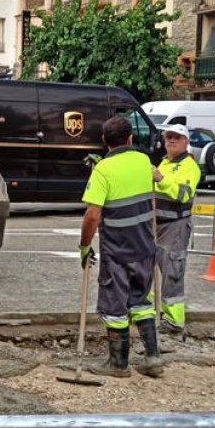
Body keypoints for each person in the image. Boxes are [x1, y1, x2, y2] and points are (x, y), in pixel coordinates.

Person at [78, 116, 164, 378]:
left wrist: (84, 246)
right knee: (141, 301)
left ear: (104, 141)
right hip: (144, 245)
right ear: (130, 139)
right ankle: (153, 358)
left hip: (117, 249)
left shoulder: (103, 170)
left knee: (115, 306)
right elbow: (158, 176)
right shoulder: (142, 161)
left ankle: (118, 363)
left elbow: (93, 214)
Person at [151, 123, 201, 334]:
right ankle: (150, 315)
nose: (171, 140)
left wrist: (161, 179)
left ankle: (174, 321)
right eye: (168, 137)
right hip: (157, 225)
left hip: (175, 225)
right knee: (149, 270)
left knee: (172, 273)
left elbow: (183, 194)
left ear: (186, 142)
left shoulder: (189, 166)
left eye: (176, 138)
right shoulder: (164, 163)